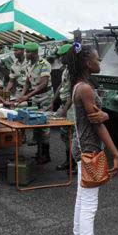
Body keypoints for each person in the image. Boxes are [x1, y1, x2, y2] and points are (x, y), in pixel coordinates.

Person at [68, 44, 118, 235]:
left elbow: (98, 116)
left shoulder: (79, 86)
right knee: (89, 206)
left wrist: (106, 115)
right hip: (89, 150)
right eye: (98, 59)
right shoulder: (86, 88)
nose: (100, 61)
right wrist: (115, 154)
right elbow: (97, 123)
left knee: (82, 199)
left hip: (81, 148)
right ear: (88, 64)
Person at [17, 42, 54, 163]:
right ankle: (39, 152)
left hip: (45, 97)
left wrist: (27, 95)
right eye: (26, 52)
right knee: (36, 124)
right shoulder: (29, 65)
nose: (26, 54)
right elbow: (27, 82)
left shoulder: (44, 64)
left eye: (28, 52)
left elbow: (43, 85)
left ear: (34, 53)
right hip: (35, 97)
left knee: (44, 125)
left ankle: (46, 154)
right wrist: (22, 95)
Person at [51, 43, 73, 171]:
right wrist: (53, 101)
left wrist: (65, 110)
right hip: (65, 104)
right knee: (65, 134)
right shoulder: (66, 69)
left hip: (72, 107)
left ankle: (75, 163)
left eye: (61, 56)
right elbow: (61, 86)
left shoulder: (75, 70)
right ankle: (68, 161)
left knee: (74, 135)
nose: (59, 59)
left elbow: (73, 91)